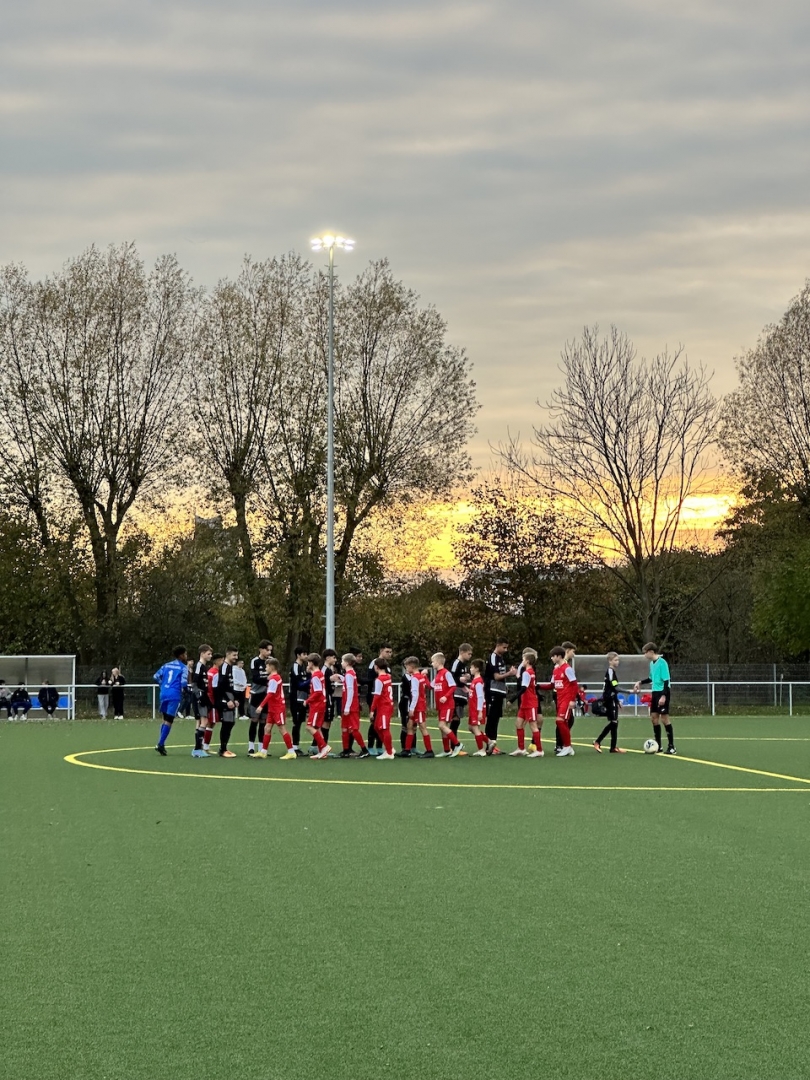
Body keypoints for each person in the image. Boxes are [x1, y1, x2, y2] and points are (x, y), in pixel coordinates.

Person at [633, 643, 676, 754]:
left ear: (651, 651)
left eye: (645, 652)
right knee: (654, 718)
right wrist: (640, 682)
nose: (644, 655)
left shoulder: (662, 663)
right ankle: (658, 746)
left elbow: (666, 680)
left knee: (664, 719)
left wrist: (664, 696)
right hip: (655, 693)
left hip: (663, 692)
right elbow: (651, 678)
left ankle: (672, 747)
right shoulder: (652, 664)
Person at [254, 659, 296, 759]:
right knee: (267, 728)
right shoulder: (275, 677)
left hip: (277, 708)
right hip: (273, 708)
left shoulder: (274, 679)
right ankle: (263, 752)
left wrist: (261, 706)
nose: (265, 668)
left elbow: (270, 694)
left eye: (267, 666)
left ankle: (291, 752)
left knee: (282, 728)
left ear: (272, 667)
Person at [548, 645, 583, 758]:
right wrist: (536, 686)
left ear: (559, 656)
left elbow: (574, 685)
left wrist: (572, 700)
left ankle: (567, 746)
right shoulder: (556, 669)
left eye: (553, 656)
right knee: (561, 722)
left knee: (560, 721)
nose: (551, 658)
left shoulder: (567, 669)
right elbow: (552, 685)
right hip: (560, 699)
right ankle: (567, 747)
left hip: (566, 700)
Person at [153, 646, 188, 755]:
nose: (186, 656)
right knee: (169, 720)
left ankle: (160, 743)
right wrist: (186, 691)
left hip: (163, 693)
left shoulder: (166, 665)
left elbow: (156, 676)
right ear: (181, 655)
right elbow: (183, 682)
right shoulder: (183, 667)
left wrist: (162, 685)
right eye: (185, 654)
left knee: (165, 719)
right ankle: (160, 744)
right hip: (174, 694)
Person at [484, 640, 516, 753]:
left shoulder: (500, 658)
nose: (506, 650)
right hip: (492, 691)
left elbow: (501, 676)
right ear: (497, 646)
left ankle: (493, 744)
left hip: (499, 691)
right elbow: (497, 676)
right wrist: (510, 673)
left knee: (496, 718)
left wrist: (504, 685)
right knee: (491, 718)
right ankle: (489, 745)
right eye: (504, 647)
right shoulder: (493, 657)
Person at [511, 649, 544, 758]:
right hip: (525, 703)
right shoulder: (530, 672)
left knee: (533, 725)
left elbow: (524, 688)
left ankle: (539, 750)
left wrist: (512, 699)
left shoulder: (527, 673)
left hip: (530, 703)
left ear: (528, 661)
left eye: (523, 660)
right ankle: (521, 748)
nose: (522, 662)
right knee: (518, 724)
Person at [431, 652, 464, 757]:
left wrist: (445, 696)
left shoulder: (446, 673)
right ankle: (446, 750)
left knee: (442, 725)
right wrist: (422, 678)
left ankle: (457, 744)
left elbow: (453, 686)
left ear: (438, 662)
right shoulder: (438, 675)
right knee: (442, 728)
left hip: (447, 705)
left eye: (433, 662)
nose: (432, 664)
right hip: (440, 706)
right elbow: (431, 686)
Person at [400, 657, 434, 758]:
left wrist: (411, 708)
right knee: (410, 726)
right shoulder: (420, 677)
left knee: (422, 727)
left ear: (411, 666)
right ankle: (407, 750)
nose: (406, 669)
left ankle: (429, 751)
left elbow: (415, 694)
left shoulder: (415, 678)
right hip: (419, 705)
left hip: (418, 707)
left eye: (407, 666)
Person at [593, 652, 626, 754]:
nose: (617, 662)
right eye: (615, 660)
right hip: (609, 700)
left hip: (612, 699)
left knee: (614, 722)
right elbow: (615, 687)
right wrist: (630, 691)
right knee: (614, 722)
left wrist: (617, 701)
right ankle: (598, 741)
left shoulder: (612, 672)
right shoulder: (610, 671)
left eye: (618, 660)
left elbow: (612, 688)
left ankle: (613, 747)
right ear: (610, 661)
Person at [338, 654, 370, 758]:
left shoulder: (349, 674)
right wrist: (341, 678)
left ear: (347, 663)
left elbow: (351, 690)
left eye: (342, 661)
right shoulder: (350, 674)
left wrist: (347, 707)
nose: (341, 663)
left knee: (353, 729)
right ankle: (346, 750)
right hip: (347, 705)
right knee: (344, 728)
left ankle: (364, 750)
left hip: (351, 706)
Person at [247, 639, 273, 755]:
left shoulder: (271, 661)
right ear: (261, 650)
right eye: (267, 650)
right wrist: (267, 679)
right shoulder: (255, 661)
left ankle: (261, 748)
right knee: (254, 720)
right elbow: (255, 678)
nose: (269, 652)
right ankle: (251, 747)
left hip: (266, 696)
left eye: (270, 650)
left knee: (263, 721)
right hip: (256, 694)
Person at [304, 653, 331, 759]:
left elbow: (318, 692)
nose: (307, 664)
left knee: (309, 726)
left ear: (311, 663)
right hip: (320, 704)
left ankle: (324, 747)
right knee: (317, 728)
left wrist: (307, 700)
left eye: (308, 662)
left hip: (317, 705)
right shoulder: (318, 673)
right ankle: (322, 752)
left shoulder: (316, 676)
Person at [366, 645, 393, 753]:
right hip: (377, 699)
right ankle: (371, 746)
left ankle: (384, 748)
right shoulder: (375, 663)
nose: (389, 654)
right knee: (376, 724)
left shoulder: (384, 670)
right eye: (387, 651)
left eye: (390, 652)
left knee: (381, 725)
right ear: (381, 651)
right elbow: (370, 680)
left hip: (383, 702)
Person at [215, 647, 239, 758]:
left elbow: (229, 686)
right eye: (234, 655)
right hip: (224, 698)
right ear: (228, 654)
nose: (236, 657)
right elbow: (221, 686)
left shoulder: (229, 667)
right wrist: (228, 700)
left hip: (229, 697)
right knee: (227, 722)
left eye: (236, 655)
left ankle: (224, 748)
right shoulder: (224, 667)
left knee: (230, 723)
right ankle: (222, 749)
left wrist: (235, 699)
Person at [369, 658, 396, 760]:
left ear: (376, 667)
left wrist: (372, 710)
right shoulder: (388, 676)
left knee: (384, 728)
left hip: (384, 706)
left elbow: (377, 695)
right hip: (385, 705)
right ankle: (390, 748)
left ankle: (389, 752)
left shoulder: (379, 680)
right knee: (377, 727)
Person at [199, 652, 224, 756]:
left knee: (208, 722)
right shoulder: (215, 673)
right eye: (222, 660)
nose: (223, 662)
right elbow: (213, 689)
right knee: (210, 723)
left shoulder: (209, 671)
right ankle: (205, 746)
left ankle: (203, 745)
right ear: (217, 661)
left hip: (207, 699)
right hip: (212, 700)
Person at [289, 647, 310, 757]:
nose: (306, 656)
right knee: (296, 723)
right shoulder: (295, 667)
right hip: (296, 699)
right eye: (304, 654)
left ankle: (296, 746)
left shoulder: (304, 667)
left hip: (303, 699)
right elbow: (298, 684)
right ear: (298, 655)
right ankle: (294, 747)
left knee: (300, 722)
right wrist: (311, 680)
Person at [467, 659, 491, 756]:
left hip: (476, 709)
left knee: (475, 728)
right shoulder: (475, 680)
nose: (470, 669)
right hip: (473, 708)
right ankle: (489, 742)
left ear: (477, 669)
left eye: (472, 667)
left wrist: (480, 711)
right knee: (471, 728)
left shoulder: (478, 681)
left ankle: (481, 750)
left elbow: (480, 696)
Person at [449, 643, 473, 736]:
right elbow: (451, 677)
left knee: (457, 719)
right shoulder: (456, 663)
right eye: (469, 654)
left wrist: (467, 677)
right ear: (462, 652)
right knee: (455, 719)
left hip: (461, 693)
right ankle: (453, 743)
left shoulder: (464, 665)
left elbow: (462, 678)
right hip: (455, 694)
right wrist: (459, 679)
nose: (470, 656)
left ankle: (454, 742)